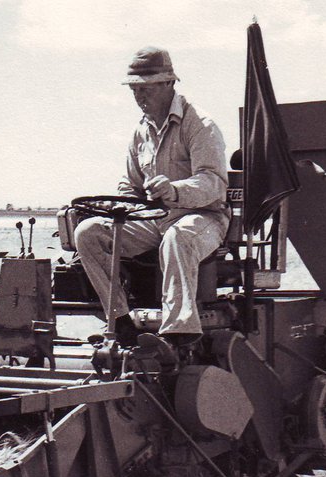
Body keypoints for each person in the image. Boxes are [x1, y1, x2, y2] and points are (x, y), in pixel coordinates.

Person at [74, 47, 229, 346]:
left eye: (145, 89)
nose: (139, 97)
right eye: (134, 90)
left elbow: (213, 184)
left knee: (178, 236)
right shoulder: (140, 133)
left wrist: (175, 190)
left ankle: (179, 334)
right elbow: (129, 185)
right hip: (155, 220)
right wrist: (117, 205)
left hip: (204, 218)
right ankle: (120, 321)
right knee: (88, 232)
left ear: (169, 83)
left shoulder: (200, 125)